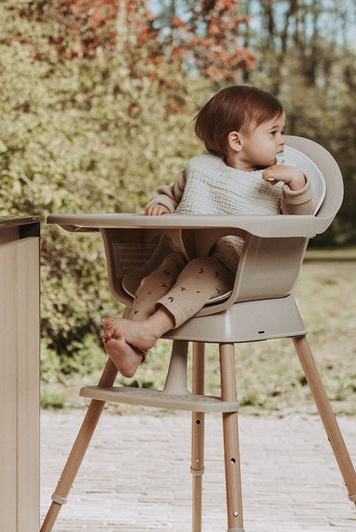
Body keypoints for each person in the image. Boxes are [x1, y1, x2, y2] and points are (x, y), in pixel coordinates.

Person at [101, 85, 319, 377]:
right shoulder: (200, 168)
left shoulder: (279, 179)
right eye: (273, 132)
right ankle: (131, 348)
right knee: (157, 275)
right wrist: (161, 204)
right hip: (185, 256)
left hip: (242, 270)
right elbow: (171, 194)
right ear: (236, 140)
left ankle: (150, 330)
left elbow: (300, 222)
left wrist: (297, 183)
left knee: (201, 269)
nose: (283, 140)